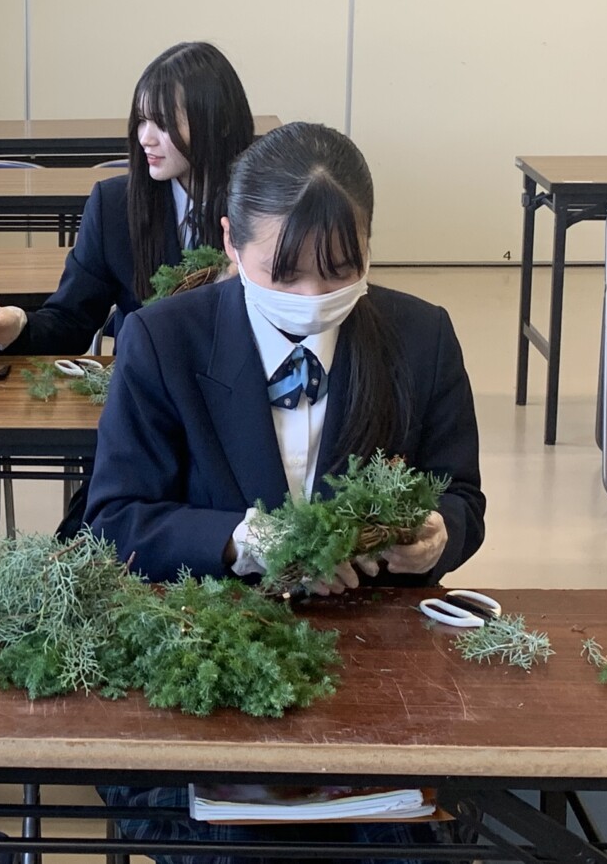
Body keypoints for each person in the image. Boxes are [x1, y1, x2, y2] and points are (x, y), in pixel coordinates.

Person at [85, 121, 485, 864]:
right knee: (228, 843)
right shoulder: (164, 340)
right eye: (284, 273)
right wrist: (241, 540)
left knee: (407, 841)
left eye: (340, 271)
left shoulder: (420, 337)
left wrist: (438, 534)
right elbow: (115, 520)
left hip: (373, 665)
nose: (313, 298)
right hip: (204, 654)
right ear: (231, 241)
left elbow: (462, 495)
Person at [0, 41, 252, 356]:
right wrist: (16, 327)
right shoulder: (114, 205)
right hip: (142, 380)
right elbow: (71, 322)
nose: (145, 138)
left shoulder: (264, 208)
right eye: (141, 120)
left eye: (163, 123)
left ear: (221, 123)